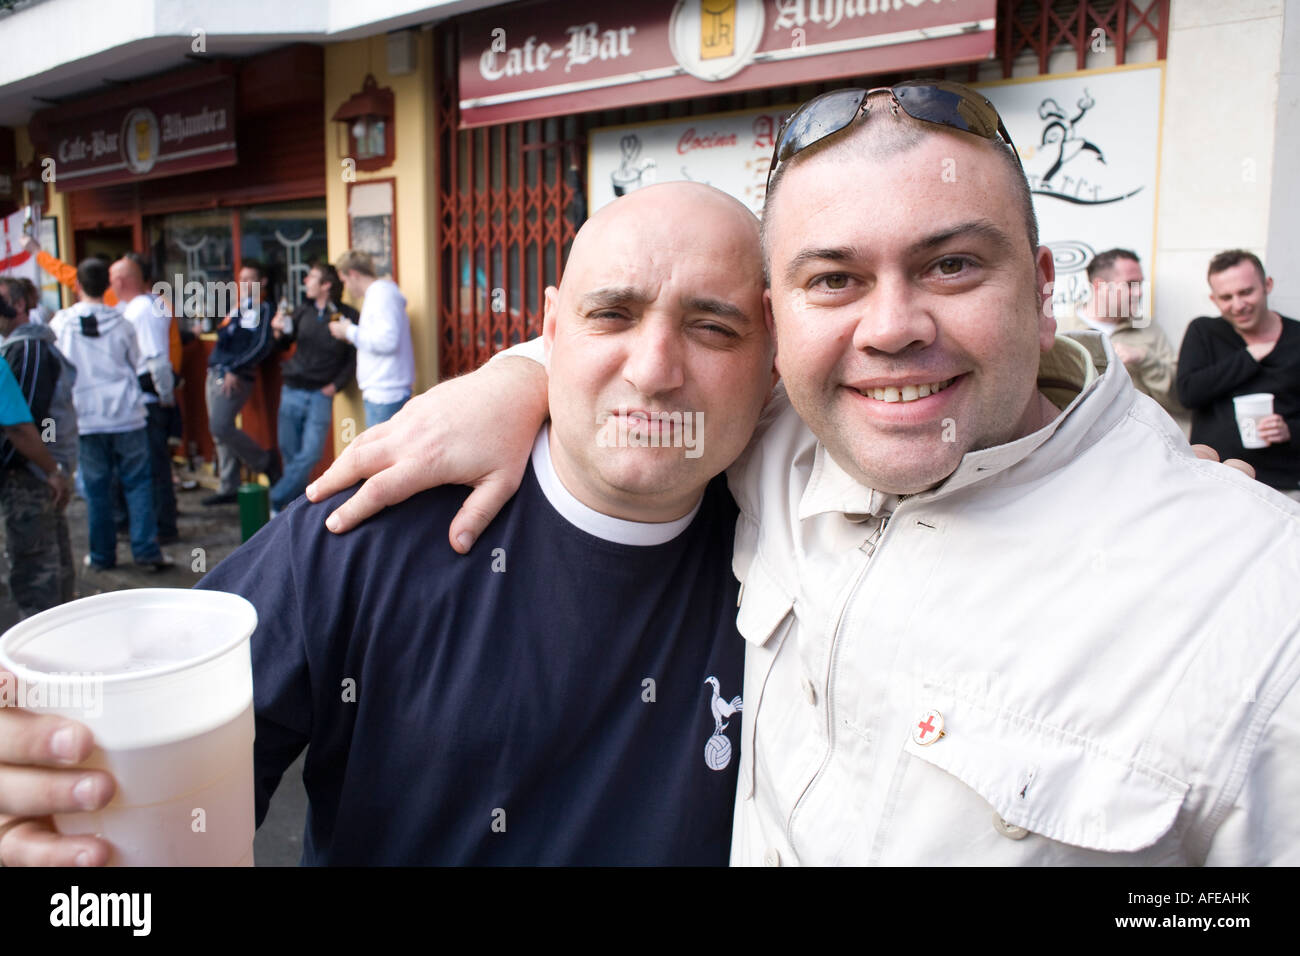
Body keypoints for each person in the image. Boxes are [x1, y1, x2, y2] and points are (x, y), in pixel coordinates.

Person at [305, 83, 1300, 865]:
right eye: (834, 279)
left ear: (1043, 296)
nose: (890, 325)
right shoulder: (781, 433)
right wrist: (512, 378)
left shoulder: (1253, 595)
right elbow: (640, 347)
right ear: (780, 321)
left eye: (952, 264)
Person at [0, 182, 774, 866]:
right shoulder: (367, 527)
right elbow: (133, 785)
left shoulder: (801, 556)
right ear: (550, 326)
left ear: (773, 357)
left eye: (713, 328)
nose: (655, 367)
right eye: (611, 313)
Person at [50, 258, 171, 572]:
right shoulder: (123, 323)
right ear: (107, 285)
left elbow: (58, 368)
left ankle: (102, 555)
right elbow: (136, 363)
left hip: (87, 417)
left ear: (77, 285)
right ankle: (146, 550)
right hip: (127, 412)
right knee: (138, 484)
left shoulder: (62, 323)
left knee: (97, 490)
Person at [1176, 249, 1299, 498]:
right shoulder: (1204, 331)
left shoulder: (1296, 338)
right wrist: (1250, 356)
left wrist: (1289, 430)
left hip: (1284, 486)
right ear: (1214, 299)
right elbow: (1189, 393)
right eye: (1226, 297)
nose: (1238, 305)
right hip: (1216, 479)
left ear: (1267, 285)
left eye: (1246, 292)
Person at [0, 293, 73, 617]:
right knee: (39, 571)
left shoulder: (27, 350)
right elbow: (21, 427)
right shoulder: (20, 351)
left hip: (27, 473)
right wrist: (52, 468)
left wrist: (50, 466)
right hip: (27, 472)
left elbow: (31, 423)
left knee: (41, 569)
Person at [1054, 248, 1184, 420]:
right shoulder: (1059, 329)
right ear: (1100, 286)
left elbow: (1180, 400)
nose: (1139, 293)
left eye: (1140, 284)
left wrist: (1145, 359)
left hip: (1139, 442)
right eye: (1130, 284)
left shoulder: (1149, 329)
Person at [268, 263, 356, 513]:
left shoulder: (346, 315)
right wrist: (277, 330)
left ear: (326, 285)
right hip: (292, 390)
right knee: (290, 453)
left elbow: (354, 358)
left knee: (310, 454)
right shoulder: (302, 311)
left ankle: (275, 498)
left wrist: (336, 386)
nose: (305, 280)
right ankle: (293, 512)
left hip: (320, 394)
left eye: (312, 277)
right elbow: (284, 342)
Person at [109, 254, 179, 541]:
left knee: (154, 468)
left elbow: (157, 358)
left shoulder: (143, 309)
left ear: (121, 281)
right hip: (146, 396)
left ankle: (164, 526)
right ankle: (156, 523)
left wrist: (166, 397)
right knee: (149, 467)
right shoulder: (144, 305)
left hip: (149, 399)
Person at [202, 261, 281, 506]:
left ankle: (264, 462)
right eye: (242, 279)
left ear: (263, 282)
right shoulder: (240, 307)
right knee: (219, 434)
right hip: (215, 370)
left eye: (250, 279)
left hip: (235, 375)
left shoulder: (264, 308)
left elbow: (261, 346)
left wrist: (235, 368)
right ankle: (229, 484)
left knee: (221, 426)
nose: (244, 284)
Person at [329, 250, 415, 428]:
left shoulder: (381, 295)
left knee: (382, 455)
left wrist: (349, 331)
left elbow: (387, 341)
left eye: (344, 280)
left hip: (385, 393)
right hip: (384, 390)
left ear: (353, 274)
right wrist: (350, 333)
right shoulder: (380, 294)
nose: (345, 288)